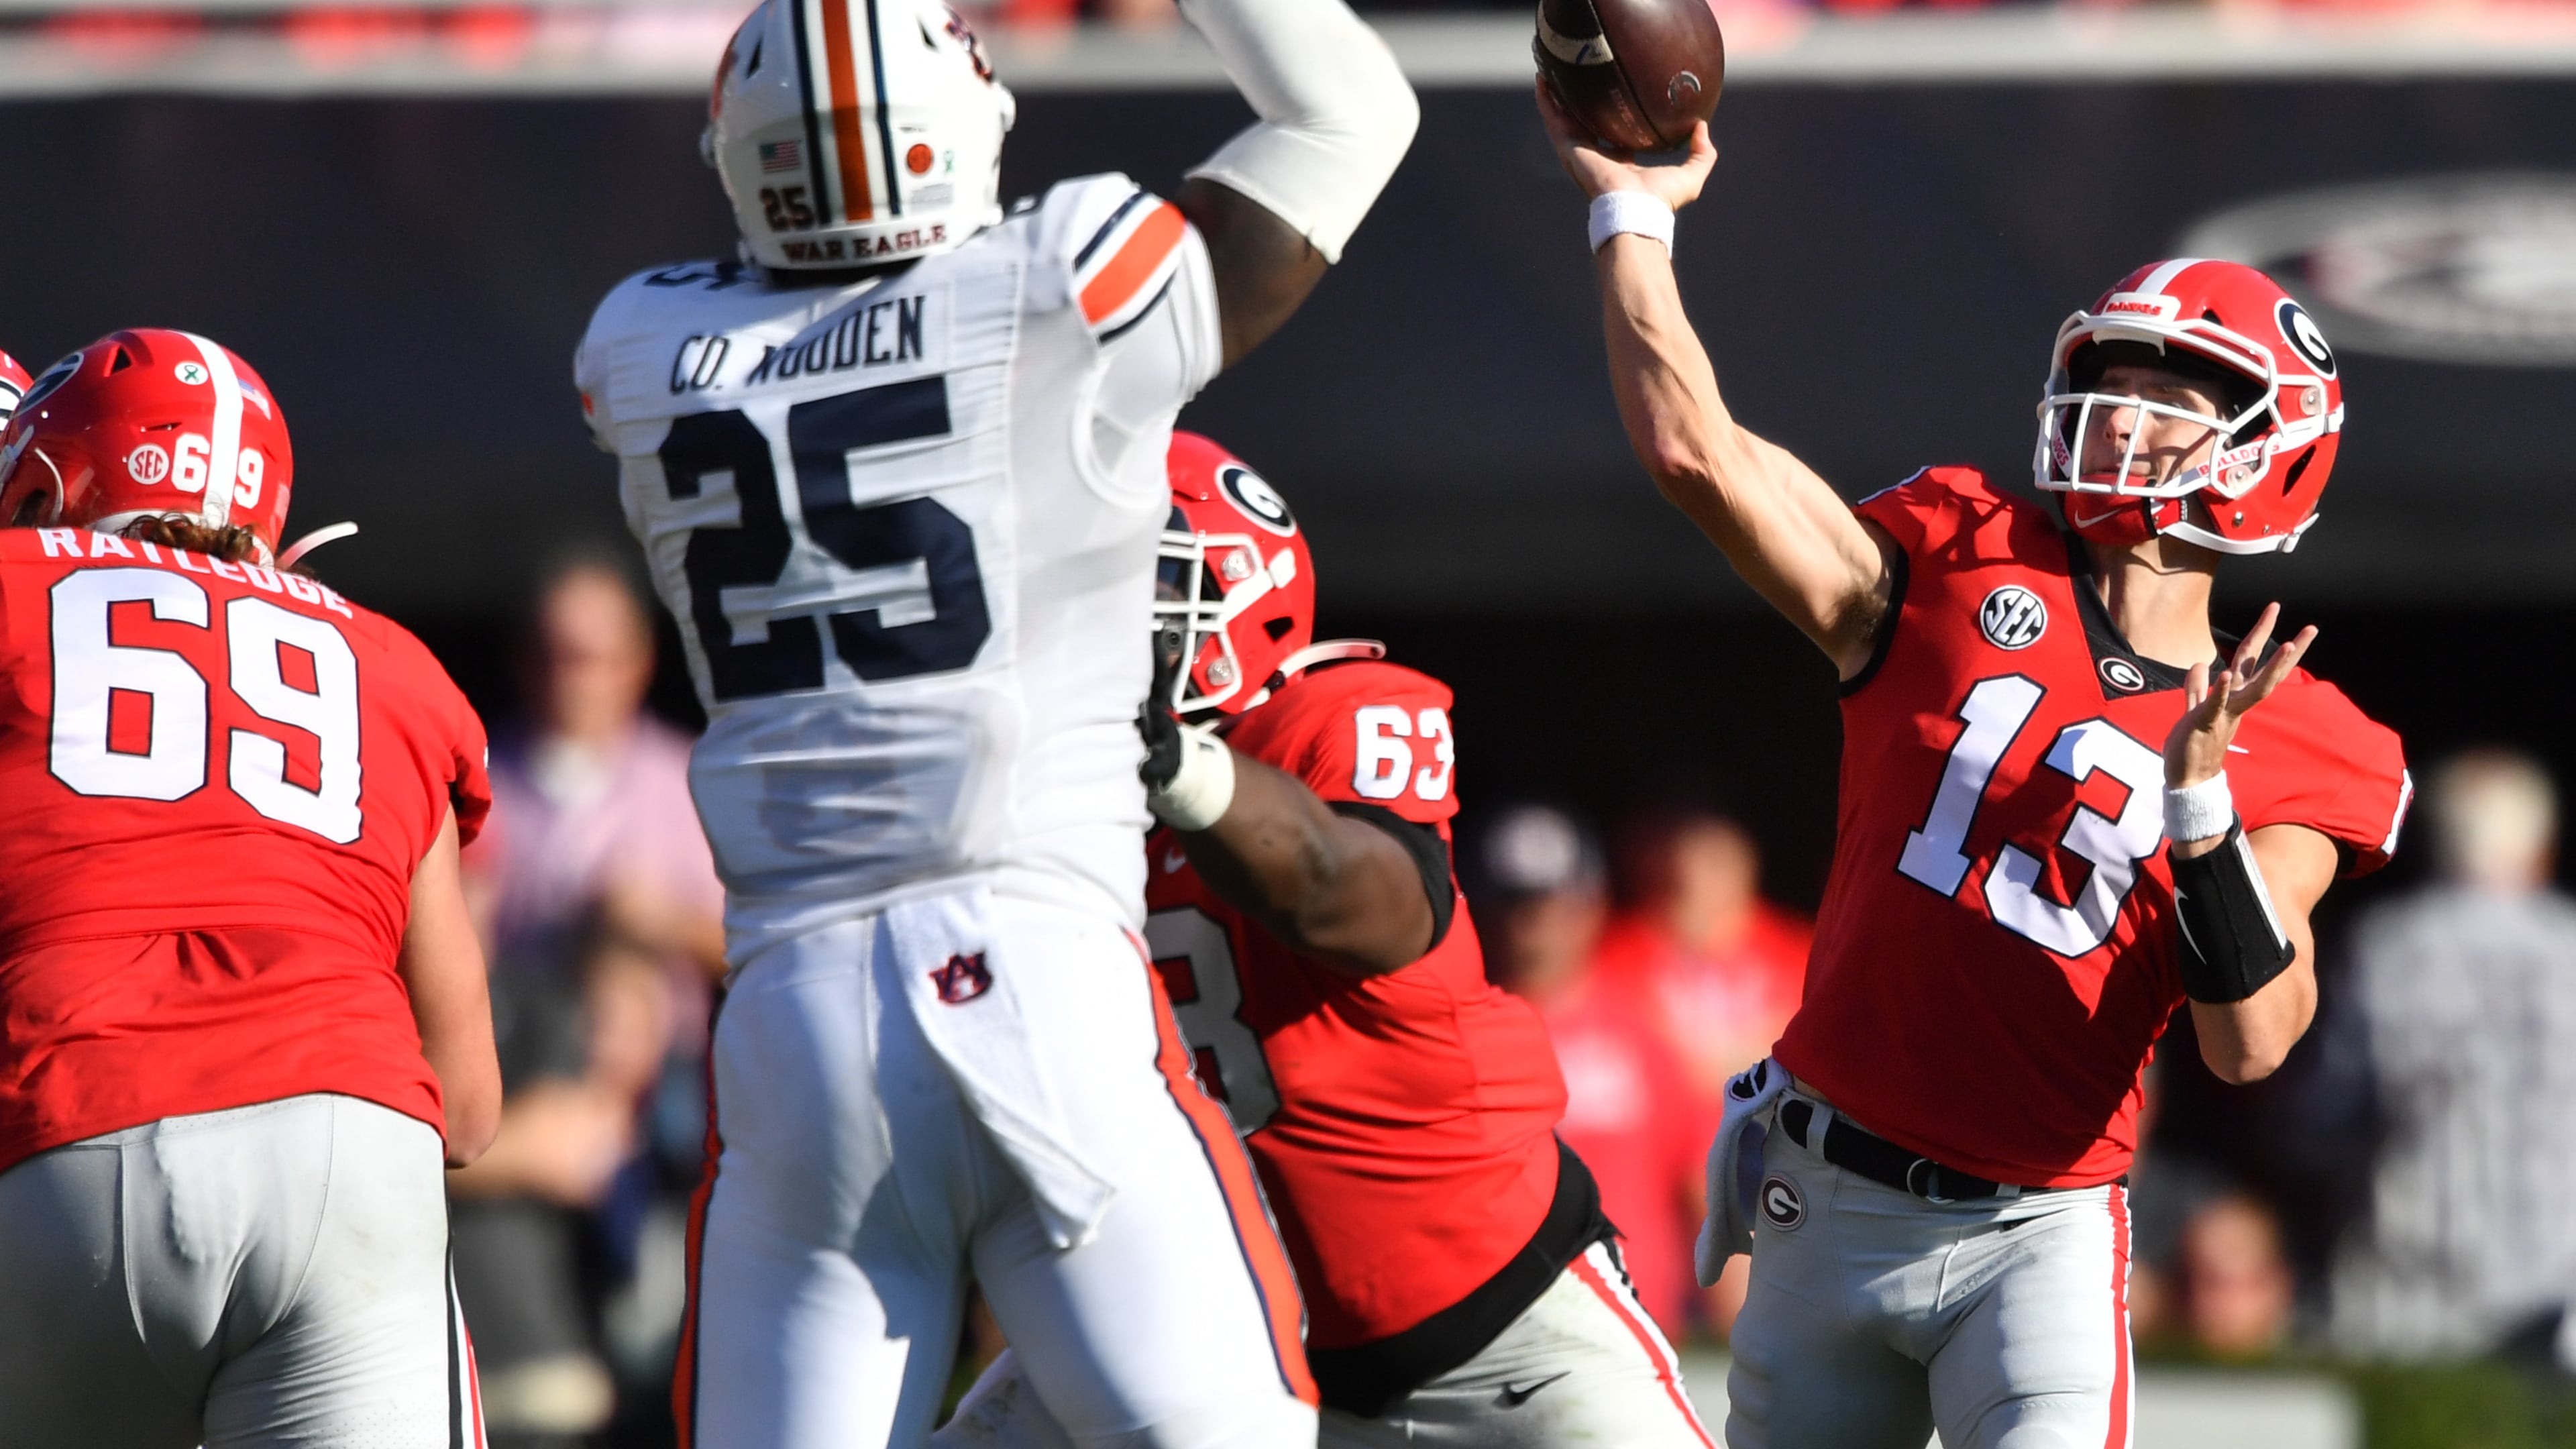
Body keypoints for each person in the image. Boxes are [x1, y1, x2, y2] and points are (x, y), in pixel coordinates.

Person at [572, 0, 1417, 1440]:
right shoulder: (1065, 281)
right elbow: (1351, 114)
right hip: (1041, 980)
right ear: (963, 130)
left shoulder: (643, 347)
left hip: (795, 1018)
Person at [1540, 89, 2412, 1449]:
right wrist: (1630, 214)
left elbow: (2252, 1042)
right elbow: (1694, 453)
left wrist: (2199, 811)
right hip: (1824, 1201)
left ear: (2273, 449)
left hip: (2039, 1231)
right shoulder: (1961, 550)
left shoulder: (2299, 726)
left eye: (2170, 392)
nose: (2120, 411)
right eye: (2112, 376)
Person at [946, 435, 1715, 1448]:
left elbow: (1359, 901)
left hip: (1503, 1330)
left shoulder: (1337, 713)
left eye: (1118, 585)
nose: (1083, 624)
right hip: (1218, 1340)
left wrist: (1178, 768)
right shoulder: (1049, 796)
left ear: (1233, 593)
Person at [0, 328, 500, 1446]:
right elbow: (468, 1109)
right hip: (353, 1154)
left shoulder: (14, 584)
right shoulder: (397, 664)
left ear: (41, 483)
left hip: (70, 1138)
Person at [2327, 750, 2576, 1366]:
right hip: (2559, 1289)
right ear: (2541, 852)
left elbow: (2321, 1120)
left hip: (2414, 1298)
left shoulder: (2387, 946)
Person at [1473, 803, 1715, 1343]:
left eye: (1552, 902)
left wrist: (1741, 1313)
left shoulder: (1643, 1027)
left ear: (1590, 905)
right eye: (1515, 903)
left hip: (1641, 1331)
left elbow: (1701, 1177)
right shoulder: (1457, 1037)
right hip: (1501, 1334)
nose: (1534, 923)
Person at [1592, 806, 1810, 1110]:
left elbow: (1809, 1059)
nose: (1697, 880)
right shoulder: (1619, 952)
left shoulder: (1800, 953)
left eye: (1716, 864)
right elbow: (1618, 1053)